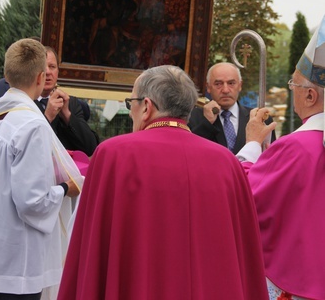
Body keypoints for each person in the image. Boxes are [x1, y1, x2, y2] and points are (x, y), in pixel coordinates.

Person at [57, 64, 269, 300]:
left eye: (131, 104)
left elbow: (91, 249)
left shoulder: (113, 155)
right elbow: (245, 255)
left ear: (146, 106)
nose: (132, 111)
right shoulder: (227, 163)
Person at [0, 38, 83, 300]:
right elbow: (32, 202)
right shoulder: (32, 126)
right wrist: (65, 188)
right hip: (19, 265)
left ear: (6, 75)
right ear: (40, 77)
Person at [236, 15, 325, 300]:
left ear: (310, 95)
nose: (291, 90)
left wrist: (251, 144)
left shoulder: (296, 146)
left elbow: (244, 197)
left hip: (298, 284)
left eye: (293, 85)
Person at [189, 62, 274, 153]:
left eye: (231, 83)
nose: (225, 90)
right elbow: (189, 150)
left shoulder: (258, 118)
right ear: (208, 87)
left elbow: (269, 157)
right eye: (218, 84)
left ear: (240, 85)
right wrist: (207, 123)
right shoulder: (192, 117)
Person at [35, 46, 99, 156]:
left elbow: (91, 147)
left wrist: (67, 115)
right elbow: (29, 146)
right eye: (42, 67)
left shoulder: (70, 103)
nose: (48, 72)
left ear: (58, 71)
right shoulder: (25, 103)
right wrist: (48, 117)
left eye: (52, 66)